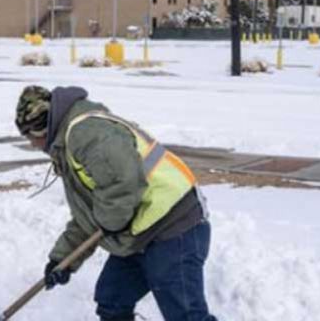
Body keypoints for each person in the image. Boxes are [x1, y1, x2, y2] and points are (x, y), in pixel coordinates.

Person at [14, 85, 217, 321]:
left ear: (41, 129)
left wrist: (110, 222)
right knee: (112, 300)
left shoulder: (85, 133)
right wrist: (62, 259)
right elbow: (90, 216)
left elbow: (124, 183)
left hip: (172, 223)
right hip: (138, 230)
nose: (32, 144)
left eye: (29, 137)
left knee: (186, 315)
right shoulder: (68, 143)